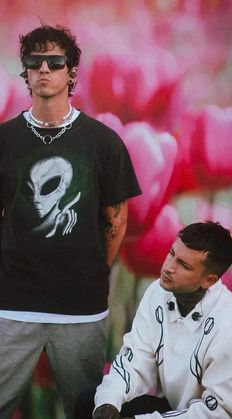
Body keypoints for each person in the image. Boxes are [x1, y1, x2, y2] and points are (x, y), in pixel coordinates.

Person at [0, 24, 141, 419]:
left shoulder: (102, 142)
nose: (44, 68)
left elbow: (117, 221)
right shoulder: (4, 141)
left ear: (72, 72)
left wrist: (94, 273)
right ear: (25, 72)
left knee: (85, 409)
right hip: (12, 307)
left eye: (55, 62)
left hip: (81, 310)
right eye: (34, 61)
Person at [93, 221, 232, 419]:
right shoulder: (157, 293)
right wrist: (108, 402)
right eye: (171, 254)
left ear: (209, 280)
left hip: (205, 415)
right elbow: (136, 358)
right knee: (90, 402)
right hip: (171, 406)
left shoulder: (229, 325)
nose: (169, 267)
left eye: (183, 265)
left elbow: (219, 412)